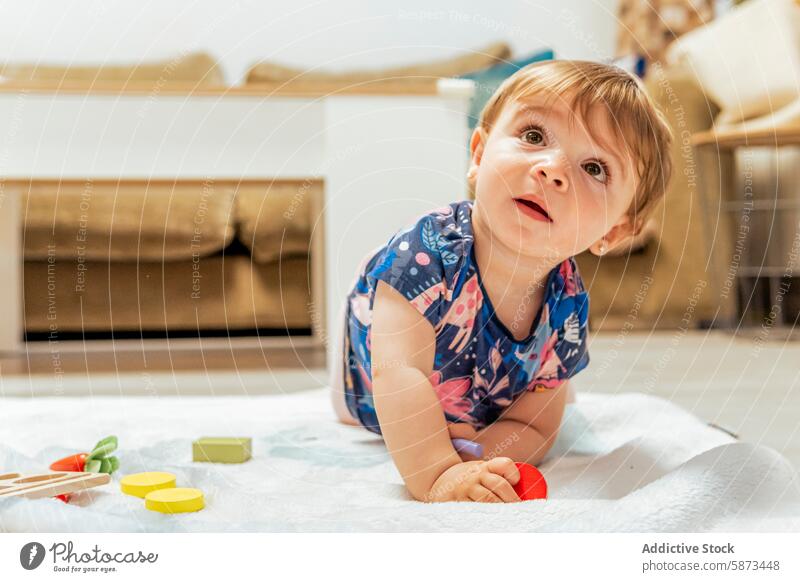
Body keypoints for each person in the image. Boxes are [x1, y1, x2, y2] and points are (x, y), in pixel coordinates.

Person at [330, 60, 673, 503]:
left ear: (613, 231)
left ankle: (518, 386)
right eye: (534, 136)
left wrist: (482, 458)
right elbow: (400, 375)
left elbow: (536, 429)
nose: (552, 169)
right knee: (354, 410)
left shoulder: (567, 306)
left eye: (594, 168)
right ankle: (368, 303)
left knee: (550, 400)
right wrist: (438, 473)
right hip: (382, 364)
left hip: (485, 385)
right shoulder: (425, 255)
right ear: (478, 156)